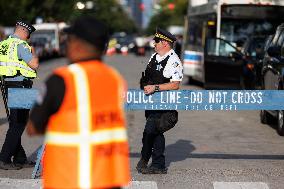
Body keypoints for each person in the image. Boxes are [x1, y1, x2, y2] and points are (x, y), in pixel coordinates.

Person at [26, 16, 130, 189]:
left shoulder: (62, 79)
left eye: (68, 39)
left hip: (71, 178)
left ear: (77, 44)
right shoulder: (114, 78)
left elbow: (33, 127)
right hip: (108, 178)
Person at [137, 28, 183, 174]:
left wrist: (155, 88)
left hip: (165, 105)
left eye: (156, 41)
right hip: (150, 103)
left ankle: (148, 161)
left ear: (164, 43)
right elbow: (148, 77)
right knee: (154, 133)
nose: (154, 44)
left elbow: (175, 84)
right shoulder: (154, 57)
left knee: (151, 130)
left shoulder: (174, 61)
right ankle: (156, 164)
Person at [0, 21, 39, 170]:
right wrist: (34, 52)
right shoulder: (21, 45)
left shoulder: (3, 44)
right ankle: (4, 158)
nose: (28, 37)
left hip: (8, 85)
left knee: (16, 122)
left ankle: (20, 158)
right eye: (28, 34)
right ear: (23, 30)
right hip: (21, 85)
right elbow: (34, 64)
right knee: (19, 123)